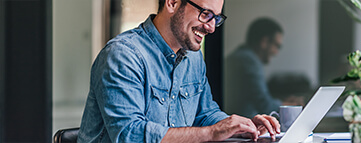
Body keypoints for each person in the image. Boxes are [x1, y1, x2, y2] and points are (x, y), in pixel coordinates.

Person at [77, 0, 280, 142]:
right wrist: (211, 133)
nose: (211, 27)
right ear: (172, 3)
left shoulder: (193, 58)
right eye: (206, 14)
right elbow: (130, 135)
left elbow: (205, 114)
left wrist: (242, 128)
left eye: (216, 18)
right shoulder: (123, 56)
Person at [224, 18, 284, 118]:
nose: (276, 52)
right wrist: (288, 105)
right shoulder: (249, 61)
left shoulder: (240, 56)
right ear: (264, 42)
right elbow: (265, 106)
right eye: (276, 46)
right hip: (243, 125)